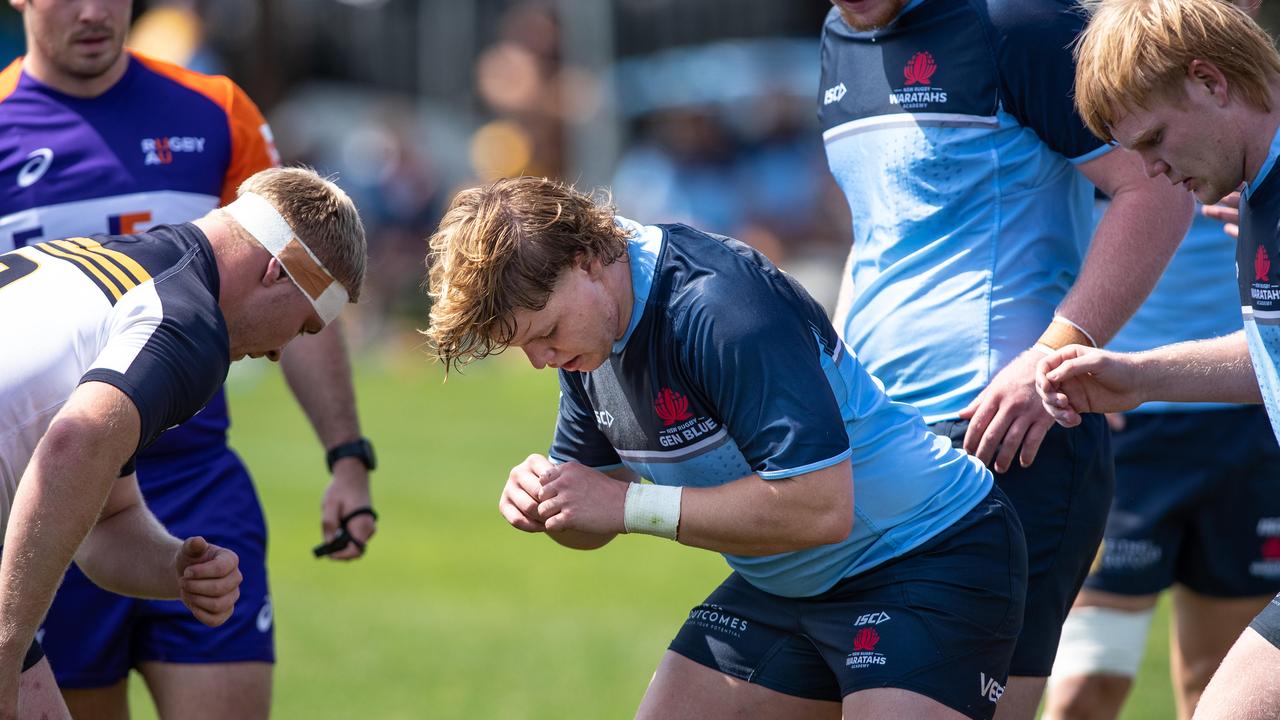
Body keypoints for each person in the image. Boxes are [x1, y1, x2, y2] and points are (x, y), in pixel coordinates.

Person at [426, 176, 1029, 720]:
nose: (540, 361)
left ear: (586, 261)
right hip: (786, 584)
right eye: (524, 347)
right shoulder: (588, 338)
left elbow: (820, 507)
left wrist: (628, 507)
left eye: (547, 333)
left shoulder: (719, 308)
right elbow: (593, 515)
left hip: (924, 558)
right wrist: (549, 504)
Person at [0, 2, 378, 717]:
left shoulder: (208, 119)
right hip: (46, 482)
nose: (271, 352)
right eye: (292, 332)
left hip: (154, 472)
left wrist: (346, 455)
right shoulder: (185, 316)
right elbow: (78, 438)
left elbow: (304, 264)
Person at [818, 0, 1194, 715]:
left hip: (1004, 435)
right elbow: (880, 234)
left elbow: (1155, 187)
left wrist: (1056, 352)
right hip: (875, 441)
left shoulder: (1018, 23)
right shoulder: (841, 34)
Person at [1040, 1, 1280, 717]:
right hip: (1150, 442)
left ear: (1210, 81)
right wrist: (1141, 377)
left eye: (1154, 139)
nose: (1150, 171)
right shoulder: (1257, 197)